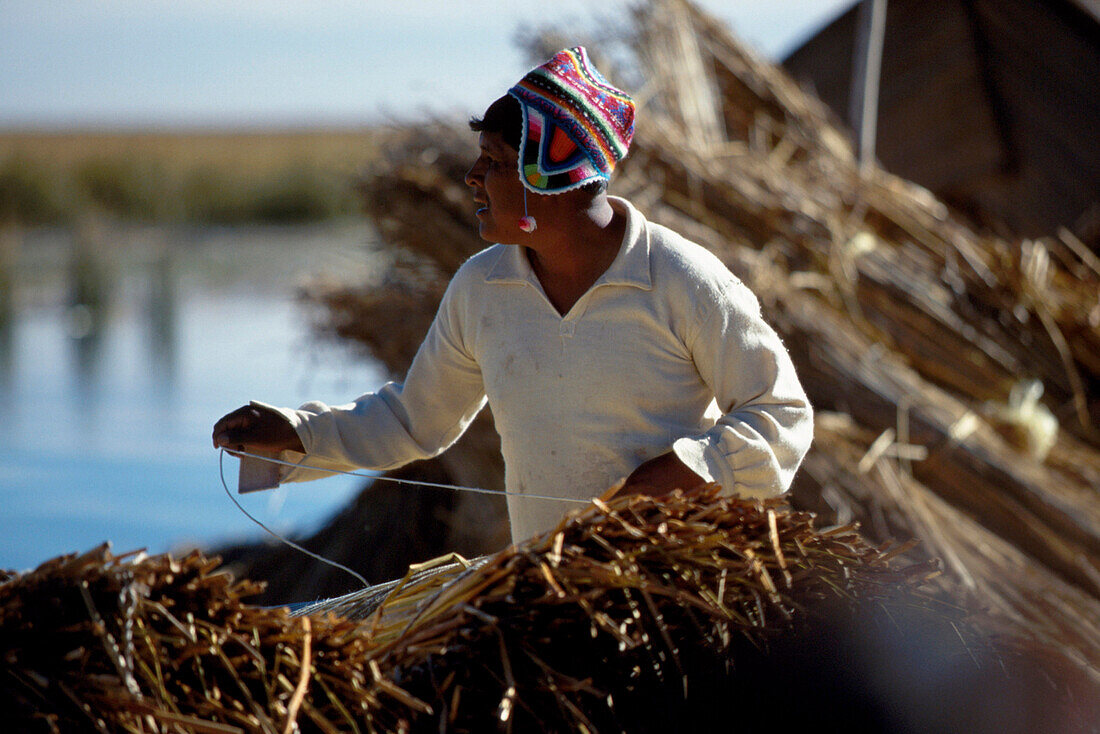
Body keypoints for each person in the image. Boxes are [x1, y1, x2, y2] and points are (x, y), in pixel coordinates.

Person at [212, 47, 813, 543]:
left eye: (494, 162)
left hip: (674, 592)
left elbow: (781, 415)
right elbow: (414, 421)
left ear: (552, 178)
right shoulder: (483, 288)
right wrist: (292, 435)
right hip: (551, 595)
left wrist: (677, 475)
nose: (472, 178)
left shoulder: (681, 279)